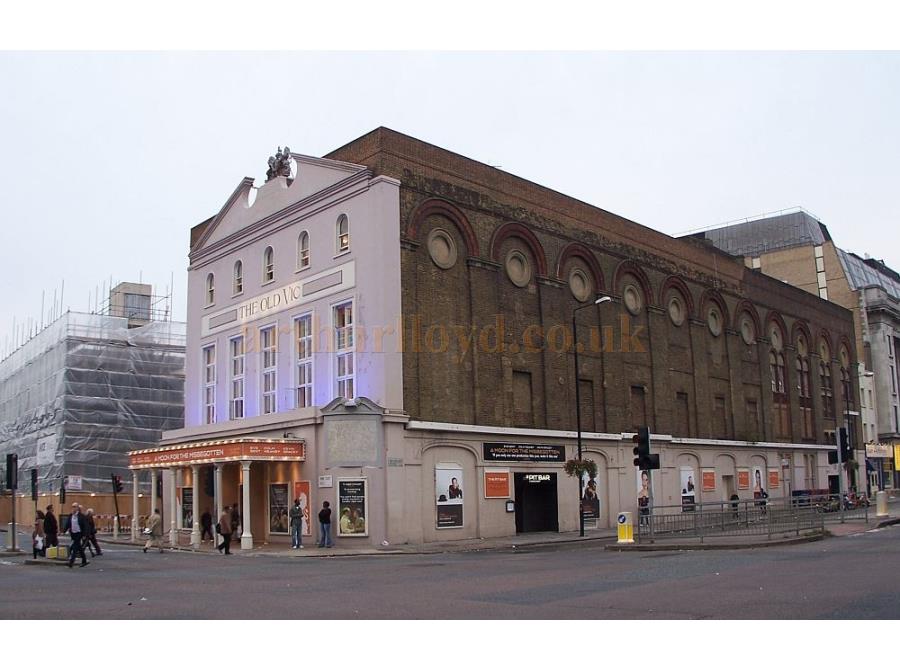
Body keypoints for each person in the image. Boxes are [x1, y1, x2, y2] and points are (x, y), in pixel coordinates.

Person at [64, 503, 89, 568]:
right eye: (72, 507)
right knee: (79, 548)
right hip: (73, 533)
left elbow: (85, 526)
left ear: (78, 508)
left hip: (79, 533)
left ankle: (71, 563)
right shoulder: (71, 515)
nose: (73, 508)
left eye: (75, 507)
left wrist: (84, 535)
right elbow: (68, 524)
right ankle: (84, 561)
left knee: (75, 548)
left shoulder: (81, 516)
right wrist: (63, 531)